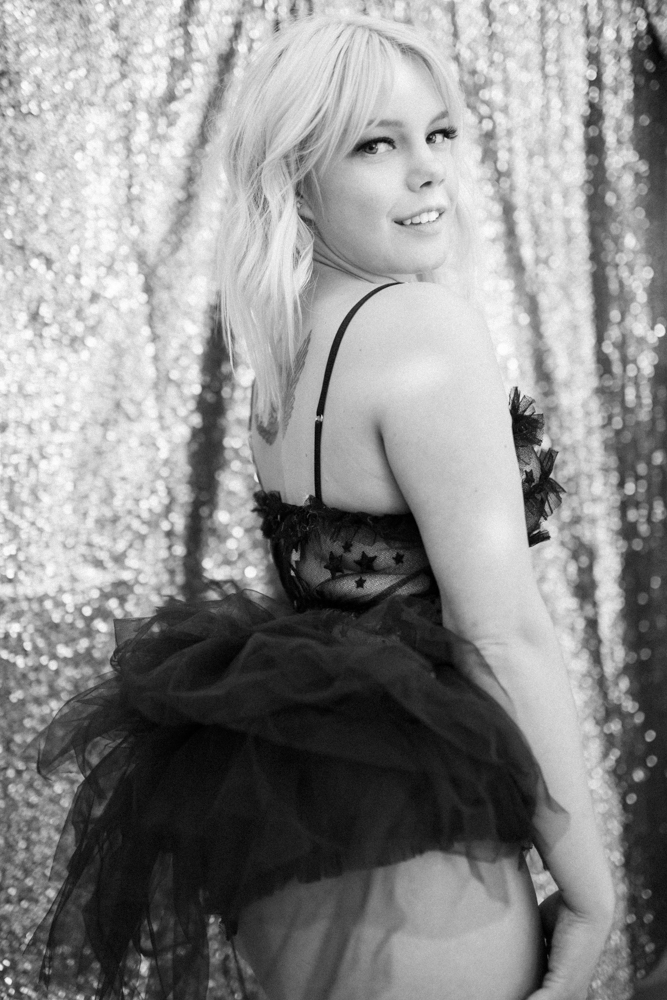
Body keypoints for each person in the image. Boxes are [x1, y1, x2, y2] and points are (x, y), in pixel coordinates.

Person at [30, 13, 615, 1000]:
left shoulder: (286, 343)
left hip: (291, 826)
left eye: (437, 133)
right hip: (415, 842)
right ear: (297, 177)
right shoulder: (421, 327)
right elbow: (498, 634)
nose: (427, 171)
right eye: (376, 145)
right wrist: (591, 889)